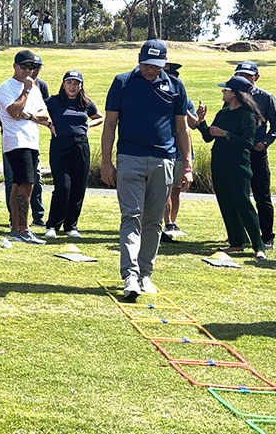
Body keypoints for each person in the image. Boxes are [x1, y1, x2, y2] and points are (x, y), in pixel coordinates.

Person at [100, 40, 193, 300]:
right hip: (130, 157)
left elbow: (182, 128)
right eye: (145, 64)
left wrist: (187, 165)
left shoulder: (175, 86)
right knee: (132, 216)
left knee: (153, 221)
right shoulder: (122, 82)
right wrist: (106, 162)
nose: (149, 69)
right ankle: (129, 276)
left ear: (164, 63)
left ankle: (145, 275)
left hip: (164, 160)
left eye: (155, 65)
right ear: (138, 59)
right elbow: (110, 125)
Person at [196, 76, 267, 261]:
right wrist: (202, 121)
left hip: (238, 165)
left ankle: (258, 246)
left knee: (243, 204)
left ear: (236, 94)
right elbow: (208, 137)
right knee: (225, 203)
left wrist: (225, 134)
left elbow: (248, 142)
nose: (223, 92)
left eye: (226, 90)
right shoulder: (223, 112)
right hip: (219, 163)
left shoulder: (247, 115)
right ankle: (236, 243)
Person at [0, 49, 51, 245]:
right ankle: (23, 229)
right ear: (15, 67)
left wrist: (30, 115)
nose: (29, 70)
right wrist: (26, 91)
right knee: (27, 184)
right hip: (16, 141)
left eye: (32, 67)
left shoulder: (36, 88)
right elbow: (13, 112)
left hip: (31, 141)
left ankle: (16, 229)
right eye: (25, 66)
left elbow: (44, 114)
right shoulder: (7, 87)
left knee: (20, 185)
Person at [43, 70, 102, 240]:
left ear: (81, 85)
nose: (72, 86)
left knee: (78, 187)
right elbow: (36, 112)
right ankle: (52, 225)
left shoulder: (85, 103)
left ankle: (71, 226)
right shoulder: (53, 101)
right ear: (63, 84)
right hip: (60, 145)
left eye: (76, 83)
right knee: (63, 186)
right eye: (69, 82)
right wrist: (48, 124)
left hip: (80, 145)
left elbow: (100, 117)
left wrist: (89, 126)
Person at [234, 61, 276, 250]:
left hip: (257, 152)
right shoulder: (232, 95)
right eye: (240, 74)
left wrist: (265, 143)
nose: (244, 78)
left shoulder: (265, 97)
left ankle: (267, 237)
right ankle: (241, 235)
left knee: (262, 197)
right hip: (238, 152)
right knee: (239, 195)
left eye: (247, 75)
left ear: (256, 77)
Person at [161, 63, 199, 241]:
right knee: (164, 190)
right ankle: (165, 222)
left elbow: (192, 124)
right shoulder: (160, 97)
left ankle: (172, 223)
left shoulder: (186, 101)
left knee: (176, 190)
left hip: (181, 152)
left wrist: (183, 106)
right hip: (165, 149)